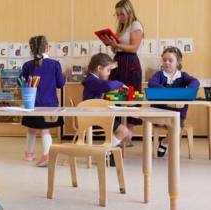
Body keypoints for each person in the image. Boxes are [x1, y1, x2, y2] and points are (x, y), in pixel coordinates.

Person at [100, 0, 144, 147]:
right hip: (118, 62)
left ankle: (127, 137)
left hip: (130, 64)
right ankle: (120, 133)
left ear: (129, 11)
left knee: (130, 97)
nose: (119, 17)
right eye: (117, 14)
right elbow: (118, 49)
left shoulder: (136, 25)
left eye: (121, 14)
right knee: (115, 96)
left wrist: (116, 45)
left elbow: (133, 47)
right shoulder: (121, 27)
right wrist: (112, 46)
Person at [21, 35, 65, 167]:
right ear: (47, 47)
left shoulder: (27, 65)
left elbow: (24, 83)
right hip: (50, 104)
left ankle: (29, 154)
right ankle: (47, 155)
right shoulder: (55, 64)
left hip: (32, 103)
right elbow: (60, 84)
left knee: (31, 129)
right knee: (45, 130)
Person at [148, 46, 199, 157]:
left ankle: (164, 142)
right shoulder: (159, 75)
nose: (167, 63)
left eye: (170, 60)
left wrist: (188, 90)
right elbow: (151, 83)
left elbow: (195, 82)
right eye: (165, 60)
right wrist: (168, 92)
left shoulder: (183, 75)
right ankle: (164, 142)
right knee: (170, 127)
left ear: (177, 62)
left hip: (178, 113)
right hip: (159, 111)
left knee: (176, 131)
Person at [82, 53, 131, 166]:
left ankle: (108, 151)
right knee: (123, 131)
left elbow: (105, 87)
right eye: (108, 70)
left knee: (124, 131)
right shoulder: (92, 80)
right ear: (99, 68)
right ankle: (104, 152)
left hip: (97, 115)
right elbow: (107, 86)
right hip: (92, 117)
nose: (109, 74)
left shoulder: (93, 80)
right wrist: (120, 83)